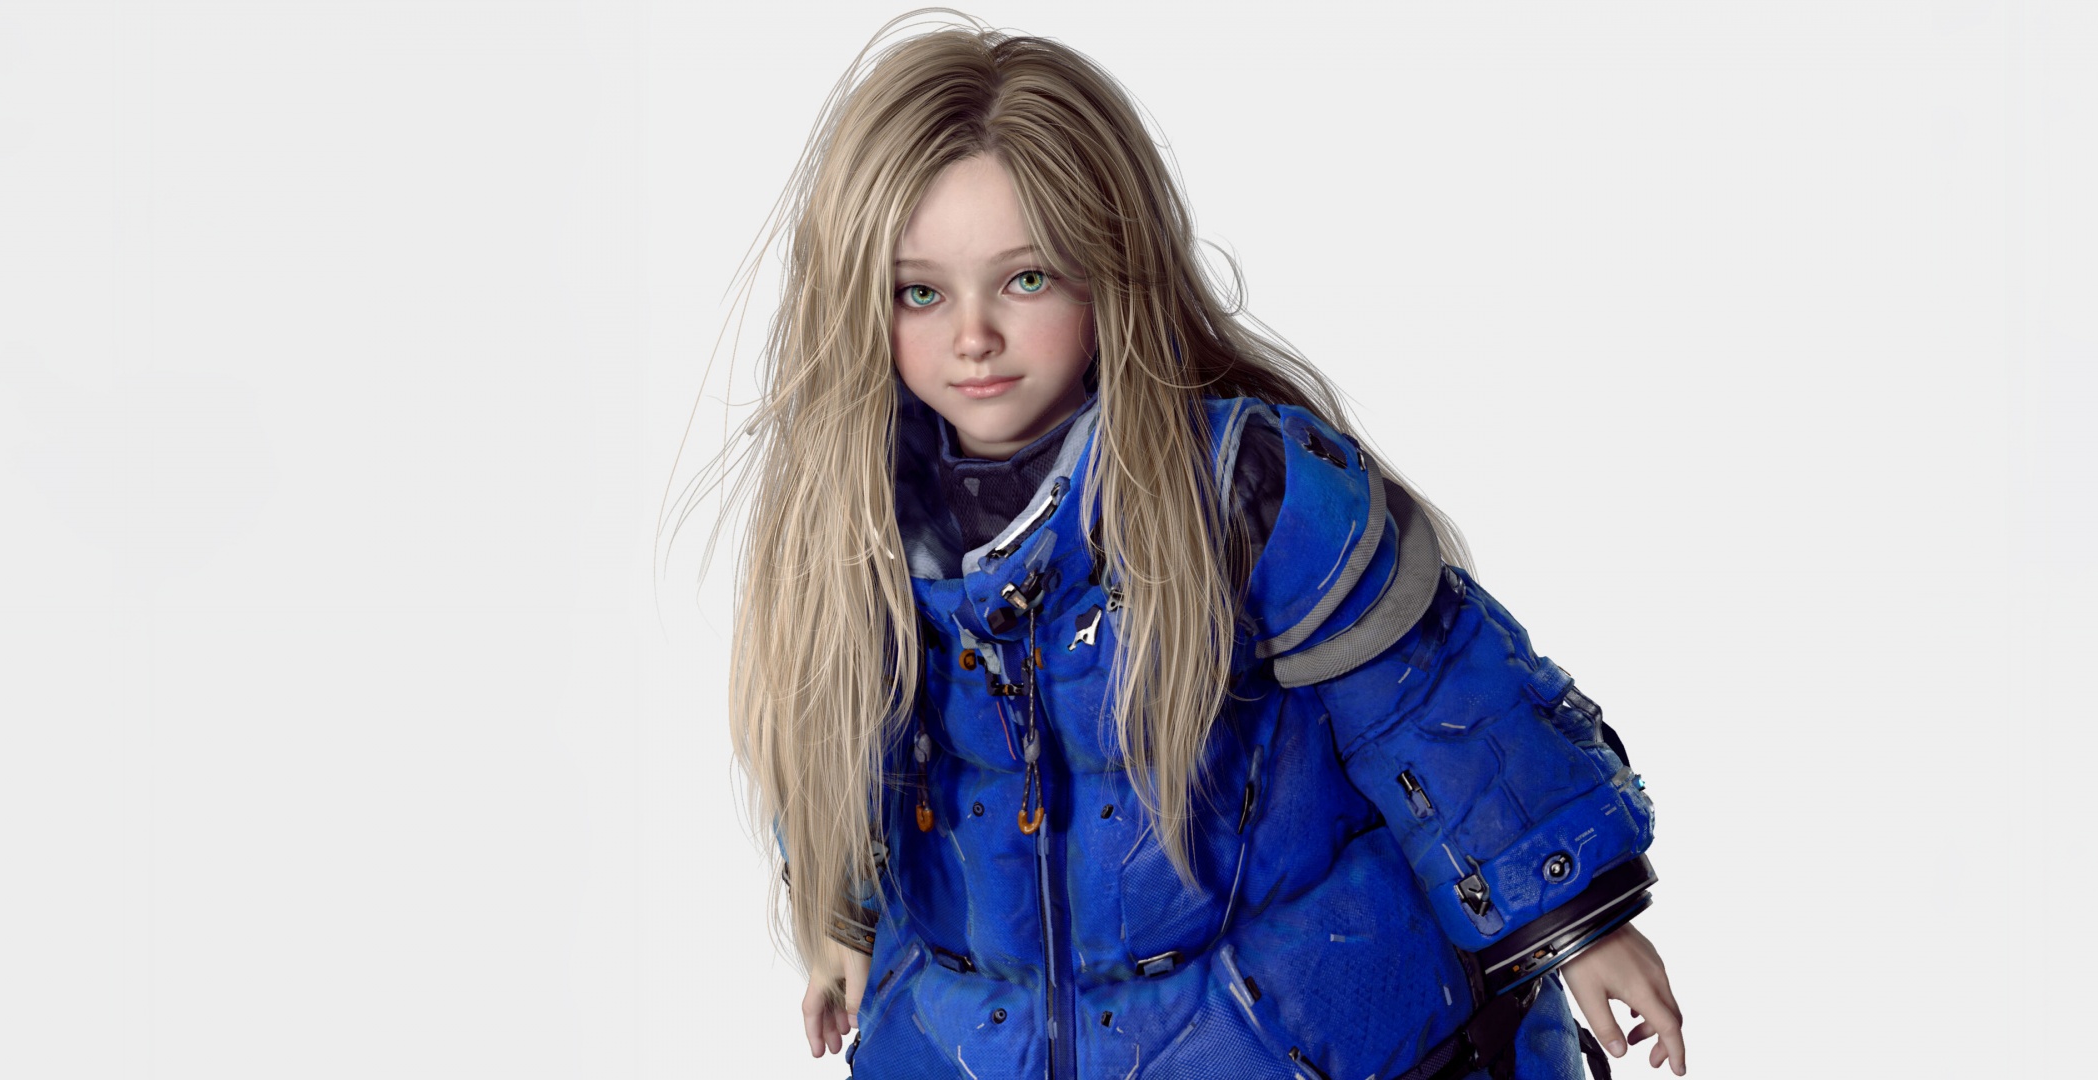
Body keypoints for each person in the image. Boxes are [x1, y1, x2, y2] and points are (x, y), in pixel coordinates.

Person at [714, 16, 1688, 1078]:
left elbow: (1431, 696)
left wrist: (1574, 917)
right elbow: (836, 755)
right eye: (921, 292)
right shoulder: (850, 533)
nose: (974, 336)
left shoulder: (1245, 490)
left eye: (1026, 279)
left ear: (1108, 270)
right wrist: (839, 913)